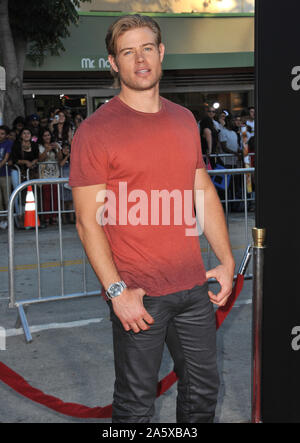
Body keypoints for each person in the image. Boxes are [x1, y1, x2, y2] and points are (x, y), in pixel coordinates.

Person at [69, 14, 235, 423]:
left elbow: (203, 193)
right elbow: (88, 223)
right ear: (113, 63)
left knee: (202, 392)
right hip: (138, 296)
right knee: (135, 404)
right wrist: (116, 291)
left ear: (161, 53)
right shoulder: (95, 131)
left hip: (193, 288)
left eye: (147, 48)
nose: (139, 59)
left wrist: (227, 260)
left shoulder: (183, 119)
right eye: (128, 52)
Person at [38, 129, 63, 225]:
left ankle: (55, 216)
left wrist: (58, 149)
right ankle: (47, 217)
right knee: (46, 197)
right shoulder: (39, 146)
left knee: (55, 197)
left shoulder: (55, 145)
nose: (47, 137)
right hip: (44, 175)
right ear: (42, 137)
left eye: (48, 135)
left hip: (55, 174)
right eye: (45, 135)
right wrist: (46, 150)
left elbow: (60, 159)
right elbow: (40, 159)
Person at [0, 126, 13, 230]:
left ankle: (10, 219)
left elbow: (6, 158)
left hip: (5, 174)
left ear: (6, 135)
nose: (0, 135)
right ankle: (2, 219)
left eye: (2, 133)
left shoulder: (8, 143)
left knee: (7, 197)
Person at [59, 141, 75, 224]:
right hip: (62, 181)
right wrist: (67, 156)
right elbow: (61, 164)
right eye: (64, 148)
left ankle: (72, 218)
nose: (66, 150)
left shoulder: (73, 157)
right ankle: (64, 218)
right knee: (63, 201)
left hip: (70, 180)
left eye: (68, 148)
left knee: (71, 200)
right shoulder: (60, 157)